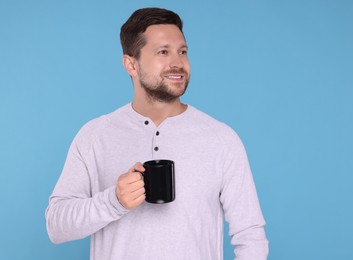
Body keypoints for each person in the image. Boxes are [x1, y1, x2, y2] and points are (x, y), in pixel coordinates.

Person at [46, 7, 268, 260]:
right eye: (163, 52)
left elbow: (250, 234)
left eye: (182, 52)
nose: (178, 63)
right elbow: (56, 226)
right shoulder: (95, 135)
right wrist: (114, 201)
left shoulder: (221, 138)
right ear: (131, 64)